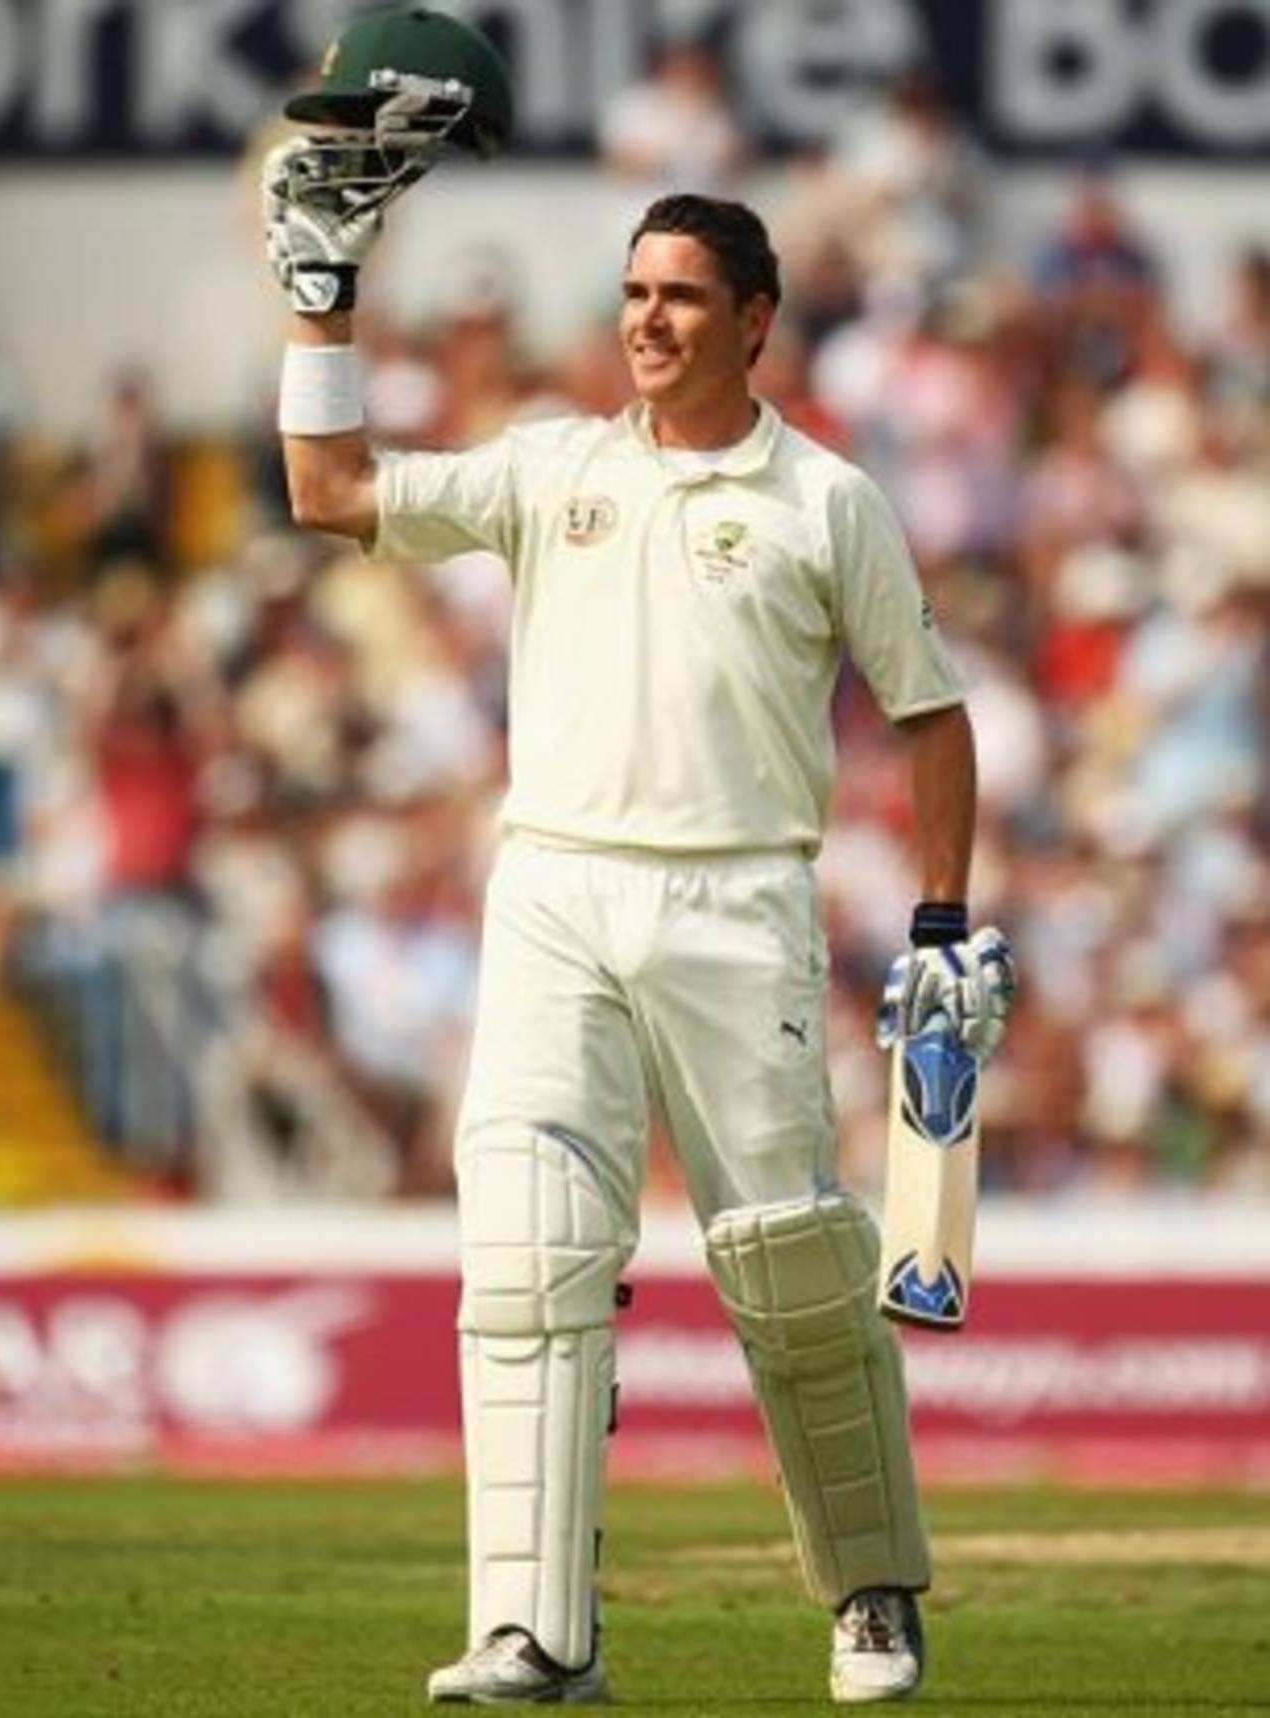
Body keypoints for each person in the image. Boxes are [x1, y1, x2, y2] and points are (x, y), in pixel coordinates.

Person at [262, 65, 1014, 1706]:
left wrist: (945, 921)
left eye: (681, 297)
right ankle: (538, 1631)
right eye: (631, 295)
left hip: (738, 902)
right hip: (552, 892)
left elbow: (932, 713)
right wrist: (322, 308)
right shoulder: (552, 469)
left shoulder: (828, 500)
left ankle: (873, 1591)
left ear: (756, 320)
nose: (647, 322)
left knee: (793, 1270)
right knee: (526, 1255)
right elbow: (328, 493)